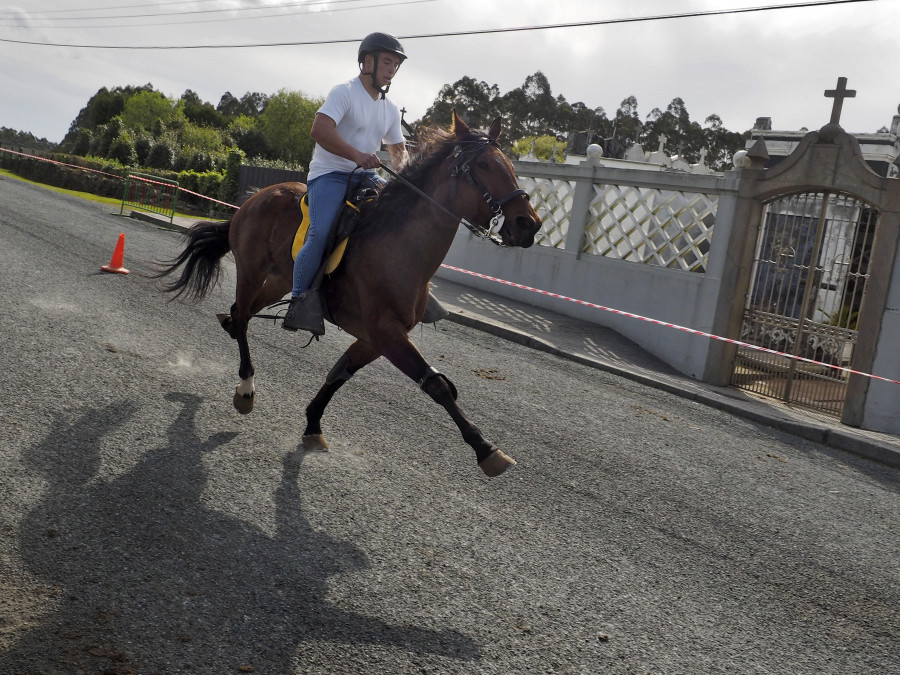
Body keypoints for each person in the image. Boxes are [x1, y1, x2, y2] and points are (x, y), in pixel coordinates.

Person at [282, 32, 410, 334]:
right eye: (387, 62)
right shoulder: (344, 93)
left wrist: (403, 173)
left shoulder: (390, 109)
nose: (391, 69)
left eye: (395, 64)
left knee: (399, 220)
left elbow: (398, 150)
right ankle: (298, 300)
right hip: (330, 174)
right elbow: (320, 130)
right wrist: (357, 155)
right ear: (367, 61)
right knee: (321, 231)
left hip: (365, 176)